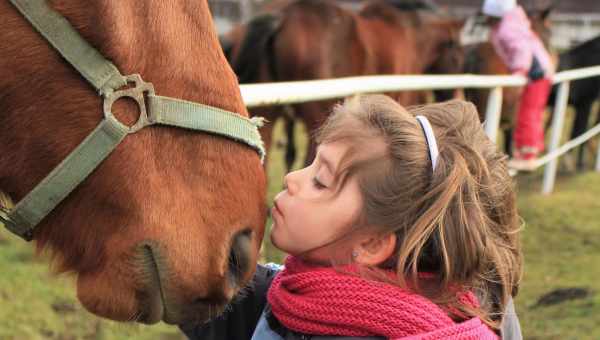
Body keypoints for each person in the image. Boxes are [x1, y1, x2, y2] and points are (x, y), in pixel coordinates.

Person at [180, 95, 523, 339]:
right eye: (312, 163)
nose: (291, 178)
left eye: (321, 181)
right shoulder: (289, 295)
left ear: (371, 244)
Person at [482, 0, 555, 165]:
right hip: (540, 73)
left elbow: (522, 51)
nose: (484, 18)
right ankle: (533, 147)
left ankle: (527, 156)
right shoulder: (512, 24)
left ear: (495, 14)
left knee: (527, 114)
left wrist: (519, 72)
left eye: (487, 15)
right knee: (533, 112)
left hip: (536, 75)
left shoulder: (508, 29)